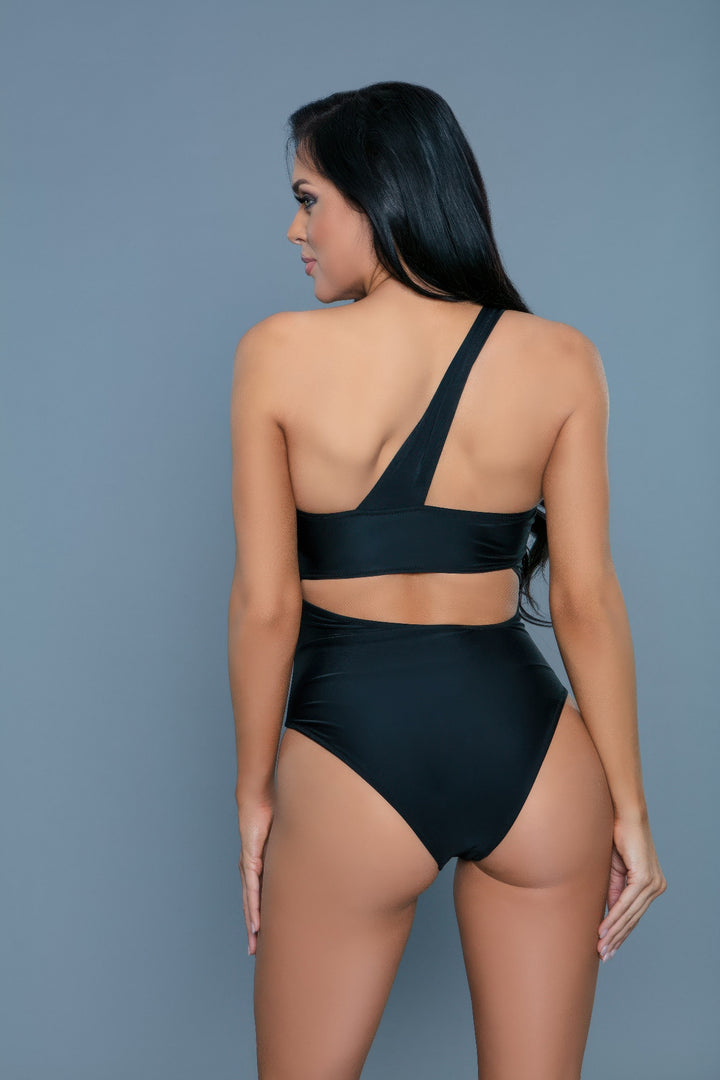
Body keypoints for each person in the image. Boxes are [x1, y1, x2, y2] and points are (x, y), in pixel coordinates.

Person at [227, 81, 667, 1079]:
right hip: (535, 759)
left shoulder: (276, 354)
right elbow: (586, 602)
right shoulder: (561, 358)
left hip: (352, 750)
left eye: (308, 199)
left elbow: (266, 607)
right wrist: (630, 812)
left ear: (376, 194)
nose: (296, 230)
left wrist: (255, 793)